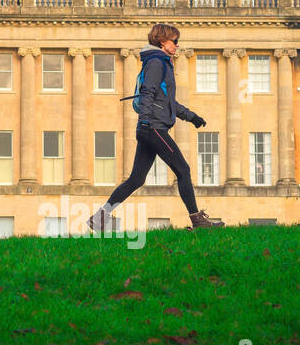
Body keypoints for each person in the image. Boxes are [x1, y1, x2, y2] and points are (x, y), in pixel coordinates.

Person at [89, 23, 226, 231]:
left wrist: (192, 117)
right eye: (175, 41)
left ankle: (100, 216)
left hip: (151, 126)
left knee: (136, 179)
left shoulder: (162, 62)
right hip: (153, 127)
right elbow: (147, 92)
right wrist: (144, 121)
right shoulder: (156, 62)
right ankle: (197, 220)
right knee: (183, 170)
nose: (177, 46)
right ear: (163, 42)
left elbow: (168, 102)